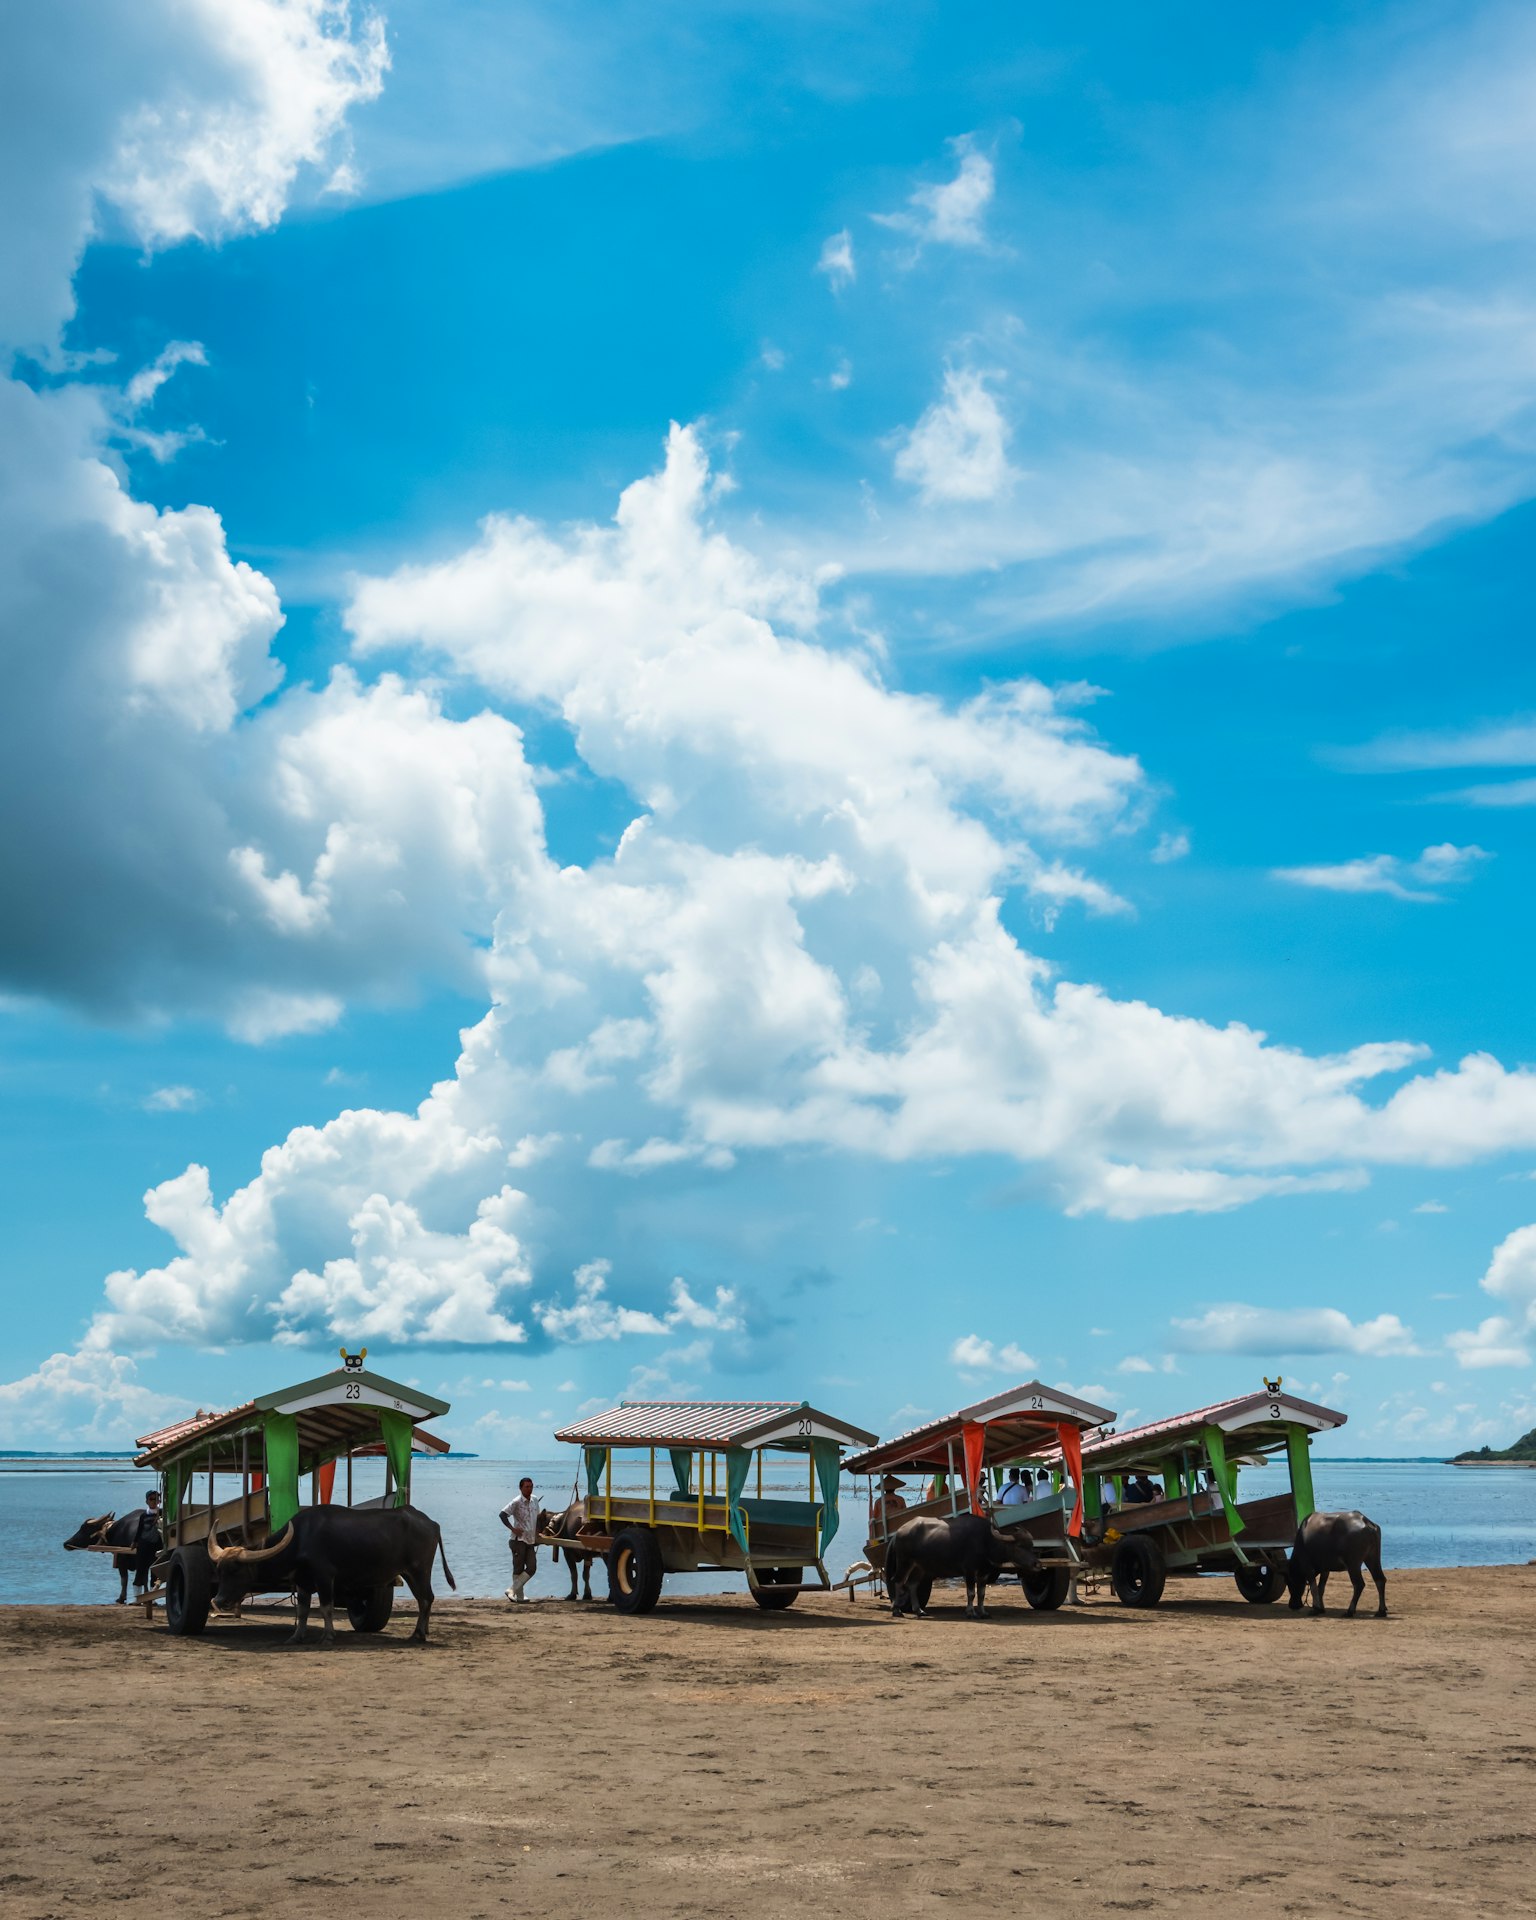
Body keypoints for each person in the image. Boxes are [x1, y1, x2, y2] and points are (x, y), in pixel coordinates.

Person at [499, 1475, 541, 1604]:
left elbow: (537, 1518)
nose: (529, 1489)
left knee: (532, 1567)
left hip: (531, 1539)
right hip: (518, 1540)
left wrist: (538, 1533)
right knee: (518, 1568)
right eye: (527, 1487)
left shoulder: (534, 1500)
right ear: (521, 1488)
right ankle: (520, 1597)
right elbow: (502, 1515)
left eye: (531, 1486)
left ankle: (512, 1590)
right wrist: (513, 1528)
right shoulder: (516, 1502)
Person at [133, 1490, 162, 1597]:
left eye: (156, 1499)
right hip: (143, 1546)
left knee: (154, 1572)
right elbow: (139, 1531)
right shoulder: (144, 1516)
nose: (154, 1501)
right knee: (140, 1570)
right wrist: (135, 1542)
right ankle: (137, 1597)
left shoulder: (162, 1513)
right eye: (151, 1499)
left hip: (157, 1547)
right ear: (147, 1501)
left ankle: (152, 1598)